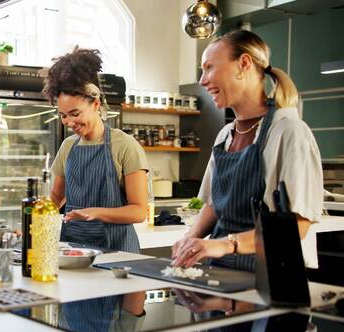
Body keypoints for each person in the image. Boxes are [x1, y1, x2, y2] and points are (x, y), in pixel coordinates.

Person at [171, 30, 323, 271]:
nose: (202, 81)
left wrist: (227, 244)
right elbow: (213, 203)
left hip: (272, 276)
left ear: (244, 64)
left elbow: (299, 225)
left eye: (209, 67)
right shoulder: (225, 136)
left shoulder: (289, 132)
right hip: (221, 270)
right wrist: (191, 238)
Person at [44, 47, 149, 253]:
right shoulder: (68, 147)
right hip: (74, 250)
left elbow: (138, 211)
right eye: (63, 115)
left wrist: (95, 213)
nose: (69, 122)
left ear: (95, 104)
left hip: (118, 251)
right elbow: (55, 199)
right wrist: (32, 223)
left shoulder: (125, 145)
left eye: (75, 113)